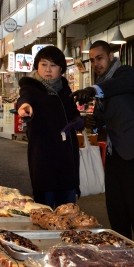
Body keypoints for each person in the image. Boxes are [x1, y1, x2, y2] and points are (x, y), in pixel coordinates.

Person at [72, 40, 134, 250]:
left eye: (99, 58)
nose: (96, 63)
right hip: (115, 152)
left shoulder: (124, 73)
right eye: (92, 60)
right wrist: (94, 123)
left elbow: (117, 87)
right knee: (115, 206)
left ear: (111, 56)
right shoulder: (102, 82)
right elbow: (103, 119)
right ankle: (123, 250)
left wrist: (93, 89)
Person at [17, 45, 82, 209]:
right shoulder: (31, 88)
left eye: (53, 65)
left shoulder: (65, 90)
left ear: (61, 69)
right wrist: (24, 107)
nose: (48, 69)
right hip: (43, 159)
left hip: (67, 159)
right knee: (44, 210)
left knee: (67, 211)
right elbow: (25, 99)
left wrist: (78, 121)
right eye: (44, 64)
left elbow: (73, 113)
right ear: (37, 65)